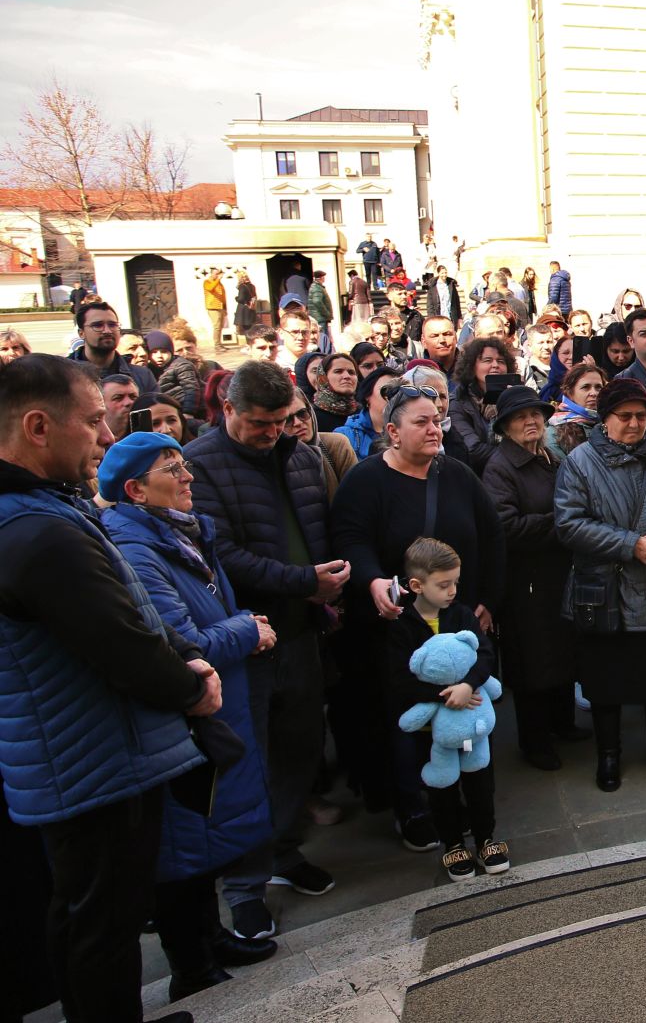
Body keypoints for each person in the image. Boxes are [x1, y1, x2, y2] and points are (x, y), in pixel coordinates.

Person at [0, 356, 221, 1023]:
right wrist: (190, 686)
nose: (105, 436)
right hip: (92, 761)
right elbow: (122, 644)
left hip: (84, 756)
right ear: (39, 427)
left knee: (88, 915)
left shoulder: (41, 510)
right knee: (104, 922)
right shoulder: (35, 531)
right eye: (94, 421)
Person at [99, 433, 279, 1002]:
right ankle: (191, 967)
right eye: (172, 470)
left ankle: (210, 938)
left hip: (216, 709)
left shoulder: (180, 532)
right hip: (181, 719)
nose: (188, 478)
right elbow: (184, 640)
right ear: (136, 490)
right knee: (181, 846)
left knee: (204, 840)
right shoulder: (135, 548)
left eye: (184, 466)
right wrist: (247, 628)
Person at [185, 361, 344, 939]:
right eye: (260, 423)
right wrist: (308, 581)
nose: (274, 432)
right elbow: (219, 555)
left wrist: (330, 588)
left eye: (284, 420)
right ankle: (245, 888)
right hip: (243, 643)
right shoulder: (199, 466)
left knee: (299, 754)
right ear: (227, 409)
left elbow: (320, 529)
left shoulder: (303, 455)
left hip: (301, 634)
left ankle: (283, 851)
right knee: (245, 766)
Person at [330, 385, 504, 852]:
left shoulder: (459, 476)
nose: (434, 429)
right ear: (391, 431)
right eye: (421, 422)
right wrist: (370, 582)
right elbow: (350, 540)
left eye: (437, 421)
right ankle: (413, 805)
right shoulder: (366, 481)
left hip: (456, 620)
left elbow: (490, 538)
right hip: (397, 628)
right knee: (407, 716)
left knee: (460, 705)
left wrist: (487, 597)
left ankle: (462, 800)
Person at [555, 378, 646, 791]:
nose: (635, 424)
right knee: (606, 680)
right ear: (606, 419)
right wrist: (630, 544)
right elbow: (569, 523)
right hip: (606, 588)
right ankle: (609, 754)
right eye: (625, 416)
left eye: (640, 415)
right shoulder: (580, 461)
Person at [386, 537, 510, 881]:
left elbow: (485, 654)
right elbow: (399, 679)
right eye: (444, 585)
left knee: (481, 782)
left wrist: (469, 684)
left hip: (473, 726)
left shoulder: (461, 614)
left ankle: (486, 838)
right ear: (416, 585)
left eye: (455, 582)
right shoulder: (402, 626)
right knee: (441, 788)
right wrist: (444, 695)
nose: (453, 590)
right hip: (431, 733)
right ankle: (453, 844)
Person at [482, 386, 587, 770]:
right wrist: (562, 525)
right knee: (532, 661)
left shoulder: (547, 457)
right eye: (520, 417)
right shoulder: (500, 467)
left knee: (561, 651)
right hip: (525, 579)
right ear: (505, 426)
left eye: (536, 415)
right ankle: (535, 741)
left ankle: (563, 723)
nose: (531, 422)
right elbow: (505, 525)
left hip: (557, 572)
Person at [450, 336, 516, 475]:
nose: (495, 365)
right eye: (487, 360)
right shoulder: (458, 402)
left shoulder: (515, 396)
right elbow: (473, 450)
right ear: (472, 367)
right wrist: (517, 455)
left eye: (501, 361)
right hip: (477, 476)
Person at [70, 300, 155, 393]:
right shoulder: (60, 375)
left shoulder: (142, 376)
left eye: (112, 325)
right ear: (81, 333)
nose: (107, 331)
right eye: (98, 325)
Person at [144, 331, 200, 417]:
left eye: (164, 352)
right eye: (154, 352)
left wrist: (188, 413)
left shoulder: (181, 366)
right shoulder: (148, 369)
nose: (159, 356)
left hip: (185, 409)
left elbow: (191, 390)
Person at [100, 373, 141, 443]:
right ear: (102, 404)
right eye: (118, 398)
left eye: (133, 397)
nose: (128, 402)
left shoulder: (151, 438)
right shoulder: (93, 444)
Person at [203, 268, 228, 351]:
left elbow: (223, 296)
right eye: (215, 274)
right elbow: (210, 288)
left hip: (220, 307)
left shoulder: (219, 284)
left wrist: (225, 308)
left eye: (218, 274)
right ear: (211, 274)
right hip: (212, 307)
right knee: (216, 326)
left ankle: (219, 344)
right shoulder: (207, 282)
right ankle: (217, 345)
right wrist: (218, 279)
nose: (217, 275)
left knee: (220, 327)